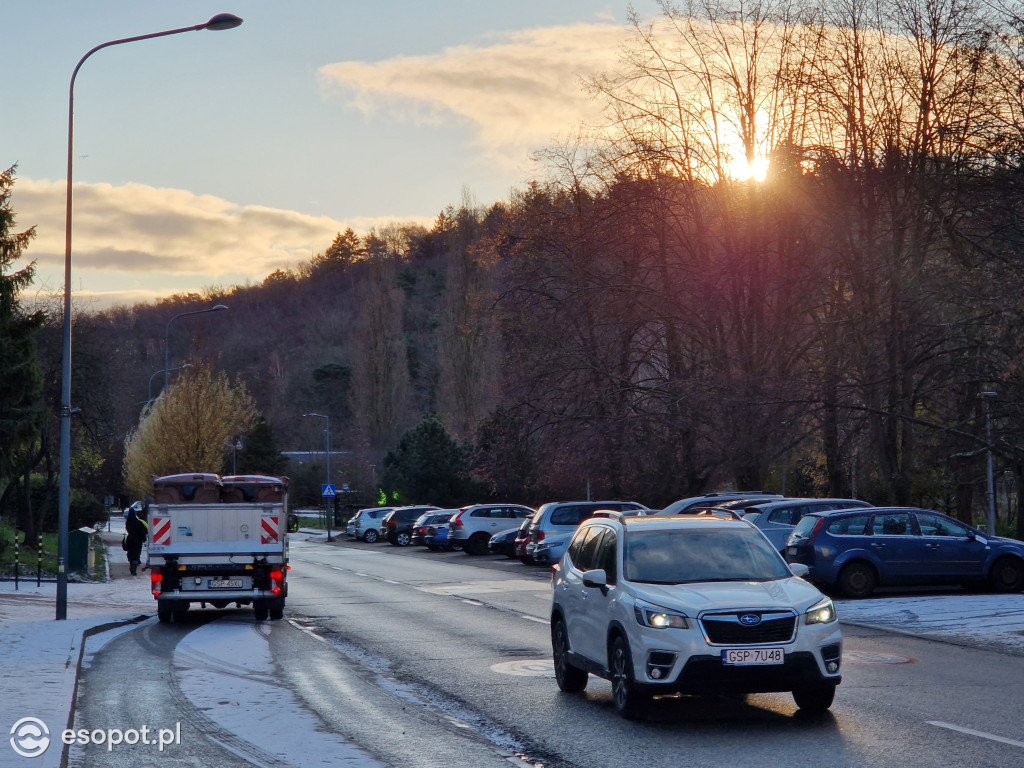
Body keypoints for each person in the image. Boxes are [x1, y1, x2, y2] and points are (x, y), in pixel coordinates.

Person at [124, 506, 148, 576]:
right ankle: (134, 566)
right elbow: (143, 531)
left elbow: (128, 530)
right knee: (136, 554)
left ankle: (132, 564)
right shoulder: (139, 522)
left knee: (130, 553)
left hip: (130, 539)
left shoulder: (128, 522)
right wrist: (143, 538)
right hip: (138, 541)